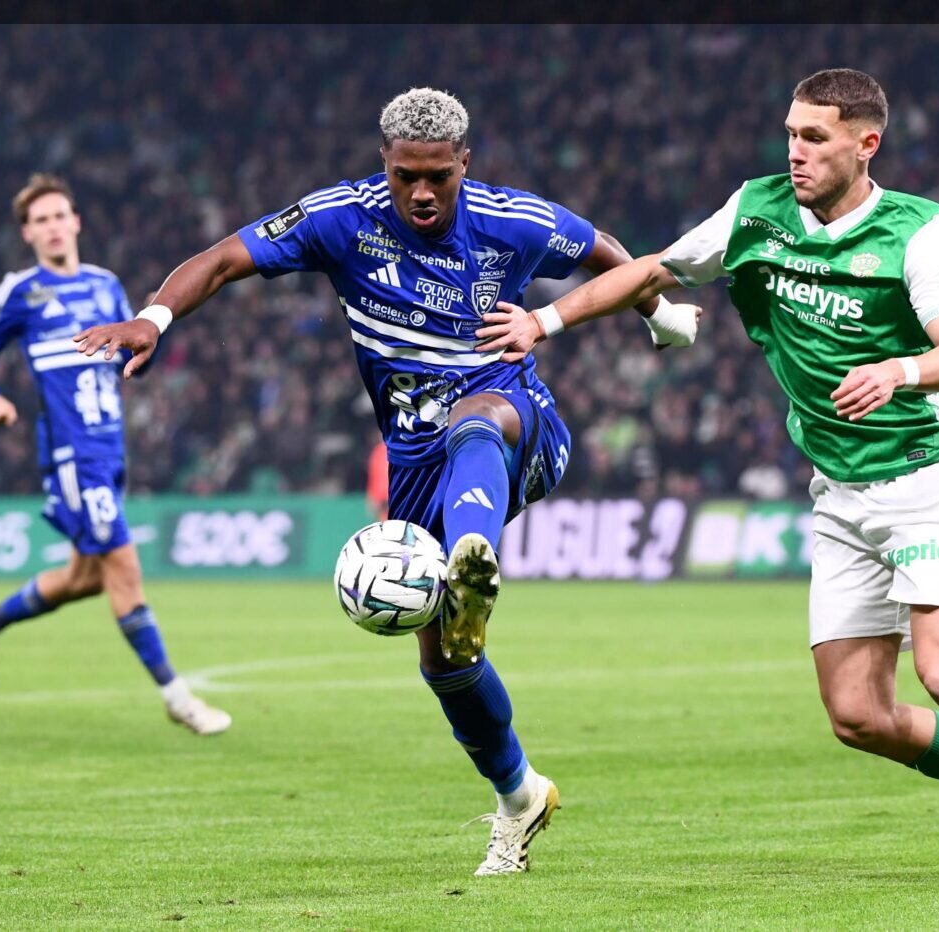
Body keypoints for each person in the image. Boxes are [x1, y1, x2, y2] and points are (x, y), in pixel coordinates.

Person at [476, 69, 939, 893]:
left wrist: (899, 371)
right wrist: (543, 320)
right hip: (839, 492)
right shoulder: (756, 210)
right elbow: (652, 269)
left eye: (814, 137)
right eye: (791, 134)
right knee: (857, 716)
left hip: (924, 482)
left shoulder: (916, 229)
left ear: (866, 144)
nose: (795, 152)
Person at [71, 88, 698, 875]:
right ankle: (519, 795)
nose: (423, 192)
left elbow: (605, 249)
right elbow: (225, 258)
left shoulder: (511, 221)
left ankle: (471, 558)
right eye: (407, 176)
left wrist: (657, 314)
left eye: (439, 175)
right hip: (415, 464)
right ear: (385, 163)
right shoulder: (342, 218)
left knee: (474, 417)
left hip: (515, 423)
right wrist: (153, 318)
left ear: (465, 162)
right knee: (446, 665)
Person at [0, 174, 231, 737]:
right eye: (41, 220)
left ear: (76, 221)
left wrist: (145, 350)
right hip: (73, 457)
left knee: (84, 577)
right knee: (124, 569)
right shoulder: (21, 291)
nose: (53, 227)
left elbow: (132, 360)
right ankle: (178, 698)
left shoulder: (107, 286)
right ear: (28, 233)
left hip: (110, 448)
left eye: (60, 215)